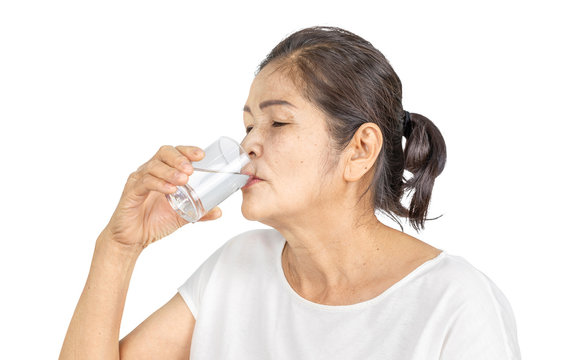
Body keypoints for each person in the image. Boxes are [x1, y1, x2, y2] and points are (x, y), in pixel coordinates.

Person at [59, 26, 521, 359]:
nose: (247, 145)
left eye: (277, 122)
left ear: (360, 150)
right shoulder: (236, 269)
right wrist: (118, 248)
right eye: (248, 125)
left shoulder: (453, 301)